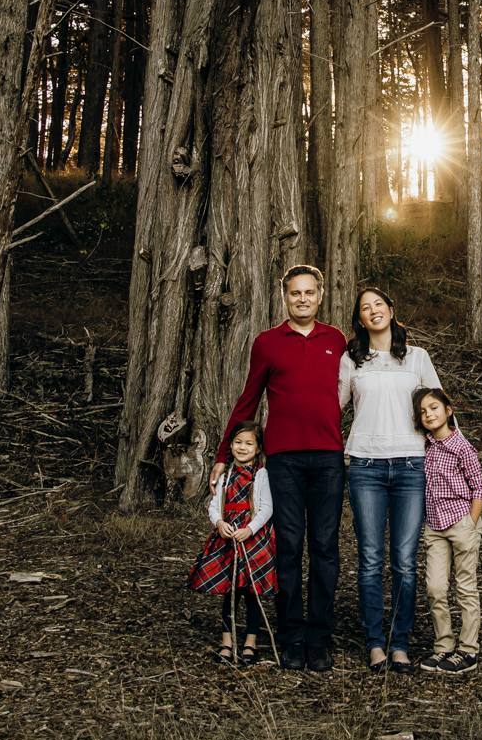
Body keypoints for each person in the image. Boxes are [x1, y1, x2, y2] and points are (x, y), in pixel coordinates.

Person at [213, 265, 347, 672]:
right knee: (288, 547)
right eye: (295, 293)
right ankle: (291, 638)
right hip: (284, 460)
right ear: (285, 297)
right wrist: (222, 453)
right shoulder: (268, 343)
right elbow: (247, 401)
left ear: (320, 295)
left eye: (309, 292)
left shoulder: (336, 340)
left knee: (325, 547)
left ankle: (319, 637)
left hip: (328, 458)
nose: (302, 299)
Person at [339, 286, 442, 674]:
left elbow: (438, 407)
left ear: (391, 310)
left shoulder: (417, 357)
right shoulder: (352, 360)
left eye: (378, 304)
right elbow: (332, 408)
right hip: (365, 465)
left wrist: (457, 458)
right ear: (360, 320)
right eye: (365, 308)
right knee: (369, 560)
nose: (373, 311)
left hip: (412, 466)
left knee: (403, 561)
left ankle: (399, 643)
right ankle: (374, 644)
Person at [187, 424, 276, 665]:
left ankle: (250, 642)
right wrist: (218, 523)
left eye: (249, 443)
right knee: (230, 591)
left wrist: (250, 529)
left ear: (258, 449)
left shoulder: (261, 474)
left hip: (252, 539)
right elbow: (214, 505)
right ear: (231, 446)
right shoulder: (224, 475)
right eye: (238, 442)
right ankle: (227, 642)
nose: (242, 448)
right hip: (228, 538)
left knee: (251, 592)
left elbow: (267, 508)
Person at [415, 386, 482, 674]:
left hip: (461, 522)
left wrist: (470, 523)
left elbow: (480, 487)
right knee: (435, 587)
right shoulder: (425, 445)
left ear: (448, 411)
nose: (428, 414)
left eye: (434, 408)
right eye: (422, 411)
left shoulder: (462, 447)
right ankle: (443, 645)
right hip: (434, 526)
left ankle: (468, 650)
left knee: (466, 587)